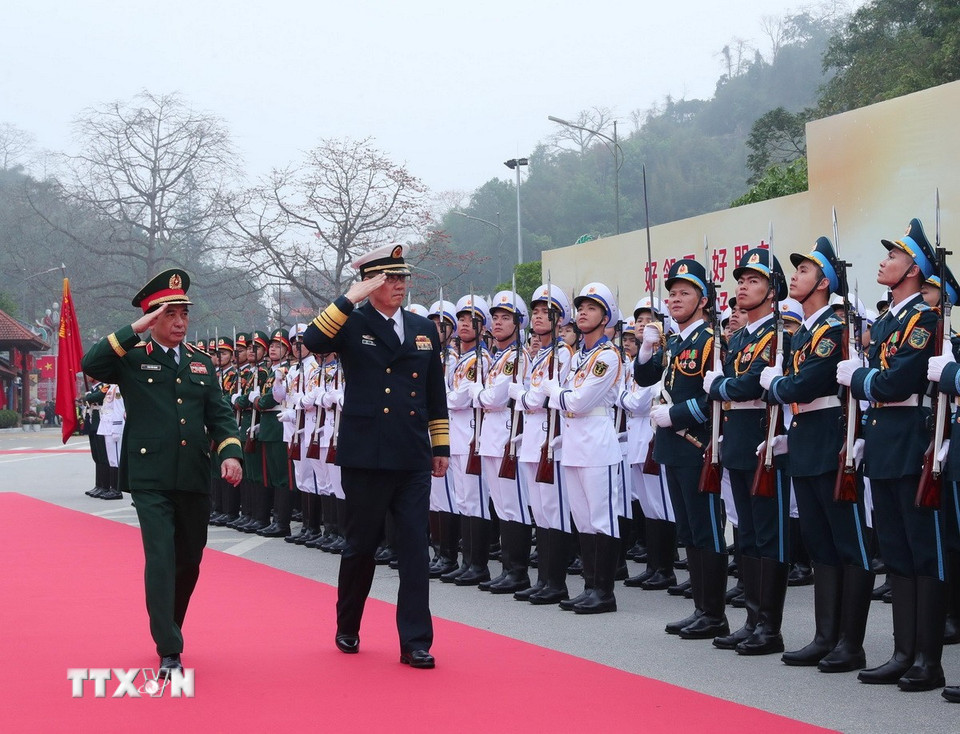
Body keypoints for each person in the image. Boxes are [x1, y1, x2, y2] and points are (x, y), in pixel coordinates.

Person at [80, 268, 243, 677]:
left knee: (189, 560)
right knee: (161, 556)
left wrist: (231, 453)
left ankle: (171, 624)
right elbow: (92, 363)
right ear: (154, 319)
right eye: (170, 315)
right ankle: (169, 646)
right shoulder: (132, 359)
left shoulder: (201, 364)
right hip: (150, 477)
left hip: (192, 474)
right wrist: (136, 327)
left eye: (184, 315)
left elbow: (220, 416)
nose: (180, 323)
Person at [303, 243, 450, 669]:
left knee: (414, 549)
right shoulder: (352, 321)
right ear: (371, 283)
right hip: (366, 454)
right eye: (390, 278)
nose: (400, 285)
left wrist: (440, 445)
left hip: (410, 454)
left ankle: (416, 641)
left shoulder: (423, 328)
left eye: (403, 277)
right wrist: (350, 297)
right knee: (361, 547)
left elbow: (433, 392)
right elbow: (314, 340)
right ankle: (348, 623)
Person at [837, 219, 943, 691]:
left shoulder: (924, 319)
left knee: (923, 551)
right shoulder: (886, 321)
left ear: (914, 269)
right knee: (896, 550)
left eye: (893, 256)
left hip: (910, 438)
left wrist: (856, 381)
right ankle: (903, 652)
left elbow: (898, 381)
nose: (883, 262)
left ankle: (927, 658)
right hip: (883, 438)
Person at [635, 258, 728, 639]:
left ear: (703, 300)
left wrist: (676, 414)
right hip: (673, 448)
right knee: (688, 530)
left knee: (707, 529)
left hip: (697, 446)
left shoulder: (712, 341)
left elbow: (715, 399)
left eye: (684, 293)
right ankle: (700, 607)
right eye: (671, 293)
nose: (674, 299)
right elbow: (646, 376)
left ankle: (715, 613)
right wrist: (645, 349)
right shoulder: (675, 341)